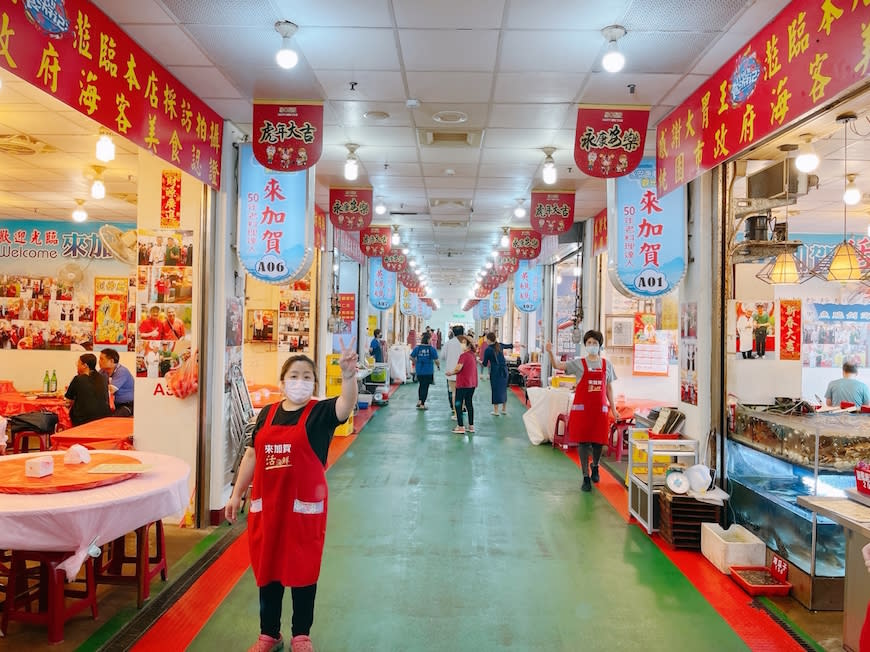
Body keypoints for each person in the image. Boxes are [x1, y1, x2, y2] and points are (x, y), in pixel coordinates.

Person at [225, 340, 358, 652]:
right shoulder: (265, 415)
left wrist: (349, 376)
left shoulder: (321, 412)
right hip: (267, 509)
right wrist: (236, 495)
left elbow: (346, 405)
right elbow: (251, 456)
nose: (300, 381)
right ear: (282, 382)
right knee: (267, 571)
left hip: (303, 512)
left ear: (314, 382)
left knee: (302, 571)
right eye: (294, 375)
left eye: (307, 376)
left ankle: (301, 634)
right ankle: (269, 634)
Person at [546, 330, 618, 492]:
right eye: (589, 343)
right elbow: (558, 365)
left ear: (600, 345)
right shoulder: (579, 363)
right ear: (585, 345)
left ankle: (596, 465)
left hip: (600, 411)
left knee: (599, 441)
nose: (592, 346)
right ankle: (585, 476)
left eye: (595, 343)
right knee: (583, 442)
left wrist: (613, 408)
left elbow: (609, 388)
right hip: (582, 411)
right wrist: (550, 351)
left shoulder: (607, 365)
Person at [65, 353, 111, 426]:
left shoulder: (78, 379)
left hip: (83, 420)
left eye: (78, 363)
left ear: (85, 366)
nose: (77, 365)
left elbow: (68, 402)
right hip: (104, 418)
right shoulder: (103, 378)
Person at [445, 335, 478, 435]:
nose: (462, 345)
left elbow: (459, 368)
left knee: (458, 404)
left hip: (463, 383)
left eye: (463, 343)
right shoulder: (472, 354)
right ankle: (471, 426)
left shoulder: (463, 356)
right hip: (472, 383)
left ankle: (460, 426)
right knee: (469, 403)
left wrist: (451, 373)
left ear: (467, 345)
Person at [99, 348, 135, 416]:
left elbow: (110, 390)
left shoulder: (122, 371)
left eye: (101, 359)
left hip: (126, 405)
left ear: (112, 361)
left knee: (112, 419)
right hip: (111, 405)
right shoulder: (102, 371)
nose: (99, 361)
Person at [410, 332, 440, 409]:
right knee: (425, 387)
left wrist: (416, 362)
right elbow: (436, 360)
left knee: (421, 385)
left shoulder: (417, 348)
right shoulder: (431, 349)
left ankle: (420, 400)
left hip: (419, 370)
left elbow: (411, 357)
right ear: (428, 339)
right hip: (428, 371)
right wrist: (438, 366)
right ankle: (422, 404)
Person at [482, 332, 509, 416]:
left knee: (495, 390)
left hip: (495, 372)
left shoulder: (488, 350)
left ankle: (496, 411)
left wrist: (478, 360)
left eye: (486, 339)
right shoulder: (500, 345)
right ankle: (504, 409)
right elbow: (509, 345)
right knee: (503, 389)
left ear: (489, 340)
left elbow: (485, 364)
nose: (486, 340)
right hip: (504, 370)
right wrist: (520, 345)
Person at [443, 325, 464, 419]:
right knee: (462, 393)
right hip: (463, 372)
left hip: (451, 372)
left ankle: (456, 413)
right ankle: (462, 409)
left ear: (453, 333)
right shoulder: (465, 343)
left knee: (454, 393)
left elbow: (443, 356)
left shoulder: (448, 343)